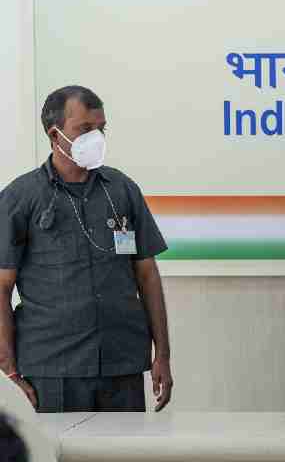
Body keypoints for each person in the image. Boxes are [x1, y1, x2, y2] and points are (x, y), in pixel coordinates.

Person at [0, 86, 173, 412]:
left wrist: (162, 354)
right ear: (55, 134)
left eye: (101, 128)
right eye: (84, 129)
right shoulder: (19, 198)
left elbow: (147, 275)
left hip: (122, 364)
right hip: (52, 369)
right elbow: (1, 287)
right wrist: (9, 370)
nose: (96, 138)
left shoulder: (122, 189)